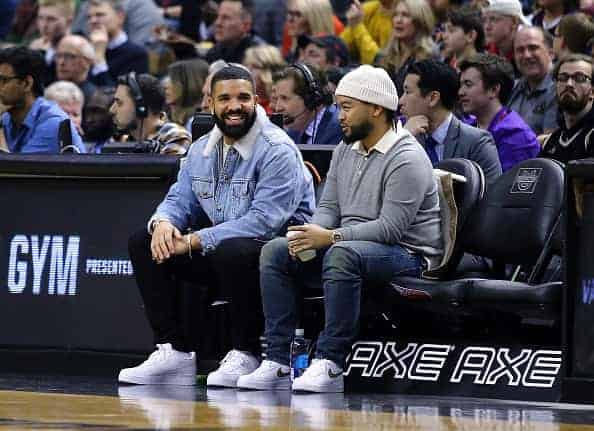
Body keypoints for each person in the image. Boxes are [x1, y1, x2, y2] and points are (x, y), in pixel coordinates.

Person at [237, 65, 442, 393]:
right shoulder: (347, 148)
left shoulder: (407, 157)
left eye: (347, 107)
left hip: (408, 254)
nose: (339, 116)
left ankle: (331, 362)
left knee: (342, 254)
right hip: (350, 244)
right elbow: (329, 207)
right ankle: (276, 360)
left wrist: (329, 238)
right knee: (276, 250)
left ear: (376, 109)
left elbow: (390, 229)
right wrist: (309, 235)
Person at [120, 65, 316, 387]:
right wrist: (165, 224)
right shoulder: (200, 150)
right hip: (223, 250)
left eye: (243, 98)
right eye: (225, 98)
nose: (234, 106)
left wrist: (195, 240)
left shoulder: (277, 150)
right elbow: (179, 200)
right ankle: (175, 351)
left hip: (283, 256)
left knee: (234, 250)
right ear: (210, 103)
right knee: (144, 241)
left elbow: (263, 223)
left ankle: (246, 351)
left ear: (257, 101)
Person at [399, 59, 502, 184]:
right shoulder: (404, 134)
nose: (401, 101)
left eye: (407, 92)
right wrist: (403, 138)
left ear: (433, 98)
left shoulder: (477, 143)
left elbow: (491, 198)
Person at [458, 53, 540, 172]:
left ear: (493, 90)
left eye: (468, 84)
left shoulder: (516, 136)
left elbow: (507, 187)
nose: (461, 92)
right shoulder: (468, 125)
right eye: (461, 85)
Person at [0, 46, 84, 153]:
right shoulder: (6, 116)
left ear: (27, 83)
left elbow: (15, 168)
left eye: (3, 80)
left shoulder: (52, 123)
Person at [109, 73, 191, 155]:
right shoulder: (124, 140)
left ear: (141, 107)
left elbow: (170, 167)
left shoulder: (175, 135)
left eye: (119, 103)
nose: (112, 110)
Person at [541, 54, 594, 163]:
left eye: (579, 78)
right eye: (563, 78)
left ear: (592, 91)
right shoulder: (550, 142)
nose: (569, 84)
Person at [272, 63, 342, 146]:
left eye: (285, 98)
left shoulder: (339, 129)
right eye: (276, 99)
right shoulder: (293, 132)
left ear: (310, 98)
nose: (277, 108)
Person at [507, 26, 558, 135]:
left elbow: (549, 143)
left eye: (533, 48)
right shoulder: (512, 87)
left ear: (551, 53)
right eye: (520, 50)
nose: (527, 55)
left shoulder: (559, 88)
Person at [378, 0, 437, 94]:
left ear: (419, 21)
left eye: (405, 15)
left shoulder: (429, 57)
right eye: (396, 15)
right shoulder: (387, 53)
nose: (398, 20)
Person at [86, 0, 149, 86]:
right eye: (89, 17)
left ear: (120, 17)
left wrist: (99, 59)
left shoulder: (136, 54)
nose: (93, 21)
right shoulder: (86, 49)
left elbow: (119, 97)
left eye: (100, 15)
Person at [205, 0, 265, 64]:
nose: (218, 23)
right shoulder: (213, 53)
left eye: (226, 18)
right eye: (217, 16)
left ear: (245, 26)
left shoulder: (259, 57)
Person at [29, 0, 75, 80]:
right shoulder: (35, 47)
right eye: (40, 18)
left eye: (51, 19)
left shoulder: (77, 51)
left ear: (69, 21)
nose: (44, 25)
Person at [340, 0, 395, 65]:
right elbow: (341, 48)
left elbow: (379, 60)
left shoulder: (402, 16)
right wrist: (352, 23)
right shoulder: (368, 8)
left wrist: (357, 26)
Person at [164, 59, 209, 131]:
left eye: (173, 80)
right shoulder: (165, 117)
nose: (166, 85)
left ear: (190, 85)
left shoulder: (197, 124)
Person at [482, 0, 528, 66]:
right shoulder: (485, 55)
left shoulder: (528, 57)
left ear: (514, 22)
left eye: (493, 19)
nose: (487, 27)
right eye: (484, 20)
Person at [243, 45, 287, 114]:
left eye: (255, 66)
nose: (248, 71)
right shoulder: (244, 102)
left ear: (269, 71)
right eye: (246, 65)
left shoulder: (280, 106)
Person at [55, 35, 98, 104]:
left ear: (87, 61)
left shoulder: (94, 98)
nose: (61, 62)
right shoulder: (49, 92)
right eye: (58, 56)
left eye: (69, 56)